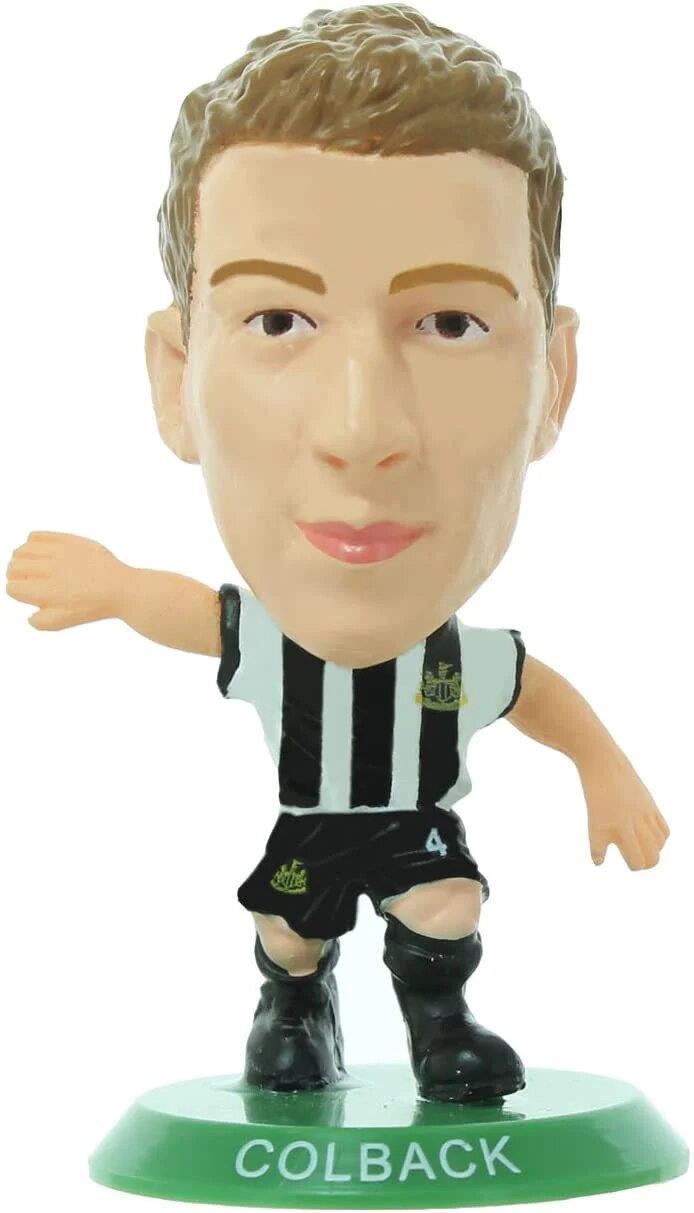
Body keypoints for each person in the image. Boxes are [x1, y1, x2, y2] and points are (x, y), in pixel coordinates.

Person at [5, 4, 669, 1103]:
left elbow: (534, 691)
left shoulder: (458, 659)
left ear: (552, 382)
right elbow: (197, 617)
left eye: (449, 323)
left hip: (414, 827)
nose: (361, 431)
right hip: (311, 823)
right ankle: (293, 1005)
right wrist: (117, 588)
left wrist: (605, 768)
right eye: (278, 321)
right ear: (176, 380)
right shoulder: (270, 642)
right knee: (288, 925)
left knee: (447, 905)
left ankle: (441, 1020)